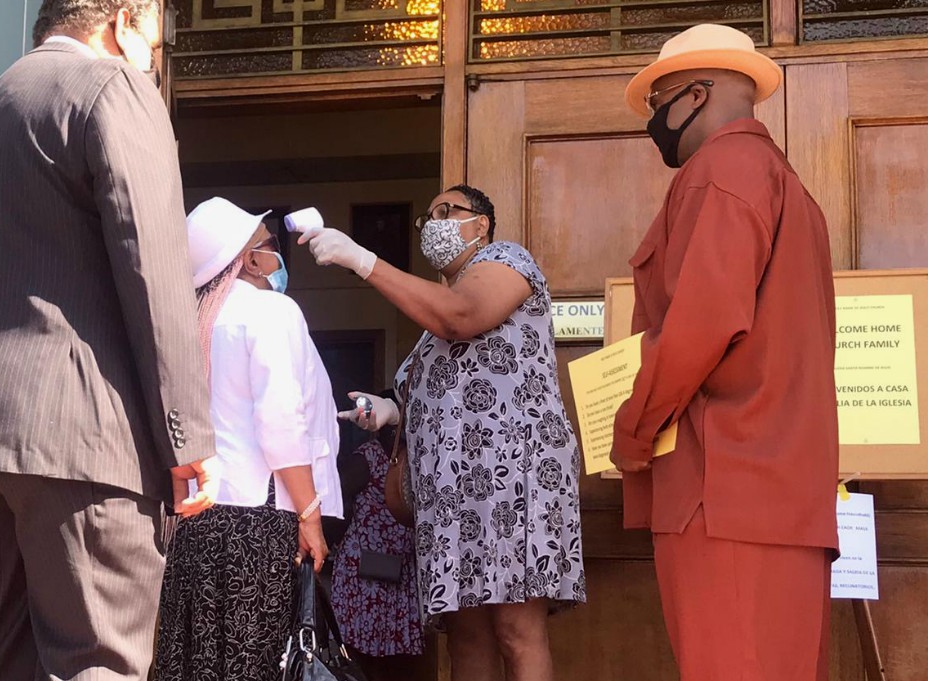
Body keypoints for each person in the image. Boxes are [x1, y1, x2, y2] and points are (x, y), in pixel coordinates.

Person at [0, 2, 217, 679]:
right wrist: (187, 436)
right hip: (83, 438)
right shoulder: (112, 88)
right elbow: (154, 268)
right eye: (156, 40)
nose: (155, 59)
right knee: (99, 658)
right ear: (120, 22)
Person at [611, 24, 839, 681]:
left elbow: (697, 330)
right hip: (779, 492)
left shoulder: (722, 172)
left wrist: (632, 432)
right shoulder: (783, 183)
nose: (655, 119)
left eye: (659, 101)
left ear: (695, 94)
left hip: (723, 490)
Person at [303, 185, 585, 681]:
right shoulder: (426, 338)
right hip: (453, 500)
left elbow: (463, 317)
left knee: (516, 629)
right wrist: (390, 412)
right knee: (466, 637)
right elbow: (434, 387)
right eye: (428, 216)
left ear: (482, 224)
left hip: (511, 485)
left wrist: (363, 261)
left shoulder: (508, 261)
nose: (434, 222)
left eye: (447, 211)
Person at [156, 197, 343, 681]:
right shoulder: (270, 312)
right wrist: (309, 514)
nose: (275, 254)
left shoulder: (193, 322)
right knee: (258, 662)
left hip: (199, 526)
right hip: (259, 528)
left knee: (201, 663)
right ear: (249, 259)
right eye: (269, 245)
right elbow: (281, 424)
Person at [331, 393, 424, 677]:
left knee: (396, 661)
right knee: (361, 660)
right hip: (364, 575)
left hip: (402, 576)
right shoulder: (368, 458)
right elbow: (334, 496)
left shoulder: (420, 460)